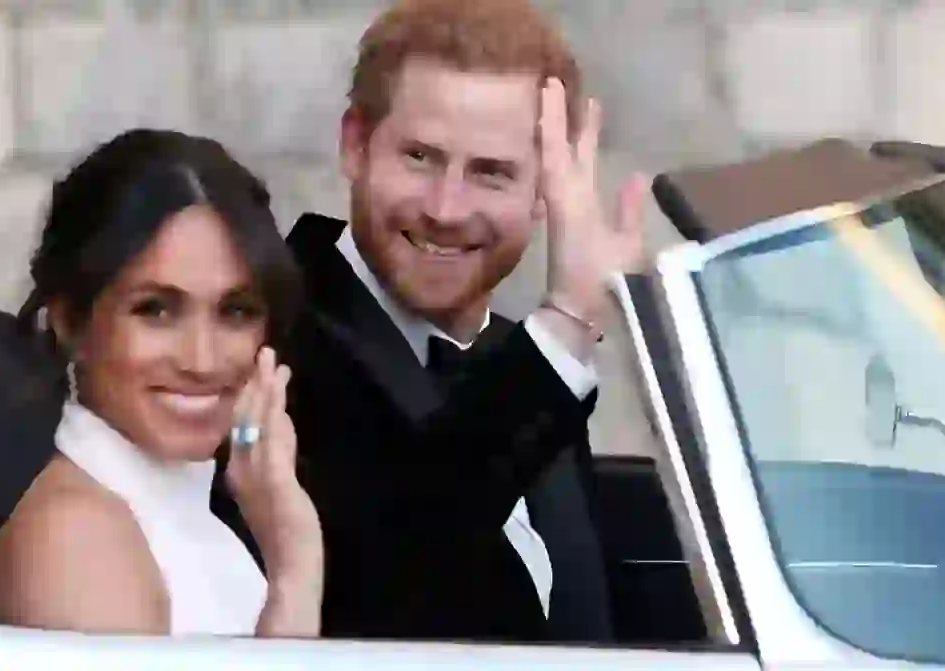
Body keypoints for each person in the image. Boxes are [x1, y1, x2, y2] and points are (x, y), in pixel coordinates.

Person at [227, 0, 646, 643]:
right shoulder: (266, 338)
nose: (447, 209)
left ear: (544, 193)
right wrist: (567, 322)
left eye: (491, 173)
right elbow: (396, 569)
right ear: (355, 145)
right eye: (420, 157)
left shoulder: (523, 360)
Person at [0, 129, 324, 637]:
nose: (202, 360)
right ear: (69, 320)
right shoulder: (78, 538)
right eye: (156, 310)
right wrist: (296, 574)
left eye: (235, 311)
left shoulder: (186, 518)